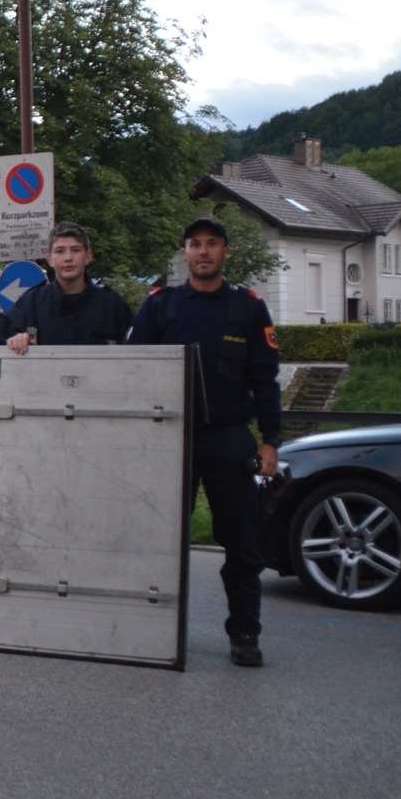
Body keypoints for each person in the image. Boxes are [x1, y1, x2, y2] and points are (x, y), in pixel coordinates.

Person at [127, 217, 282, 668]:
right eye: (195, 244)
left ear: (226, 252)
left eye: (213, 243)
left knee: (242, 543)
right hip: (168, 438)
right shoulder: (160, 305)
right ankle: (151, 633)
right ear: (185, 253)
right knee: (157, 540)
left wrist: (270, 441)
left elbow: (265, 380)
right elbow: (135, 371)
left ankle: (245, 634)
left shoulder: (248, 308)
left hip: (228, 440)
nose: (204, 251)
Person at [6, 221, 134, 353]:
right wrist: (15, 340)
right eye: (60, 251)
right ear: (50, 259)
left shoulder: (112, 306)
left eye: (76, 250)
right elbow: (1, 344)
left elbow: (135, 352)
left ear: (88, 256)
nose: (68, 258)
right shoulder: (30, 305)